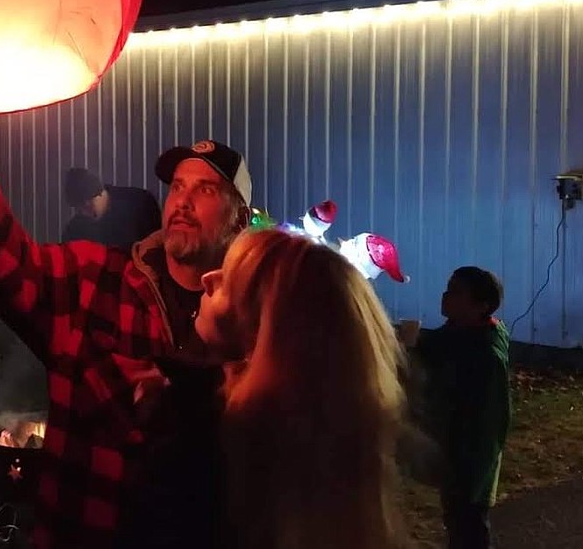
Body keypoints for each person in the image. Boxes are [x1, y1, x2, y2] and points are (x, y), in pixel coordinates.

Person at [0, 117, 251, 549]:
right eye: (177, 186)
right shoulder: (97, 281)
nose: (183, 201)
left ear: (240, 218)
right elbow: (7, 264)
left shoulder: (253, 321)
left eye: (206, 190)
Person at [193, 228, 407, 549]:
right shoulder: (342, 482)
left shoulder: (205, 448)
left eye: (230, 280)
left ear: (266, 333)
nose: (206, 279)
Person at [405, 267, 511, 549]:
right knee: (456, 524)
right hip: (452, 454)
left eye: (456, 292)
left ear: (481, 306)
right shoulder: (458, 332)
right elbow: (436, 347)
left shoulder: (486, 358)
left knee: (469, 527)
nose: (445, 295)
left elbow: (491, 423)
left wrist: (474, 479)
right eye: (447, 288)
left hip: (470, 463)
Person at [61, 167, 162, 250]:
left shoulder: (140, 202)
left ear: (98, 194)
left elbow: (158, 245)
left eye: (86, 205)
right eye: (79, 209)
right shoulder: (75, 229)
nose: (84, 213)